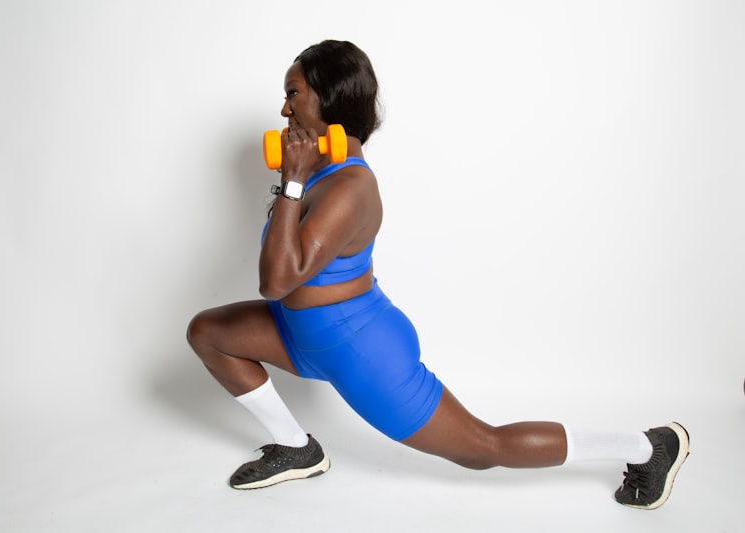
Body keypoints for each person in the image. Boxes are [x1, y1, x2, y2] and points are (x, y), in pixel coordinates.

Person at [186, 39, 689, 509]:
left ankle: (650, 447)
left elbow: (277, 280)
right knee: (210, 332)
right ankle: (297, 449)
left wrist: (290, 183)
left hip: (357, 346)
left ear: (329, 98)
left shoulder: (349, 188)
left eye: (293, 93)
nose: (284, 108)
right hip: (300, 335)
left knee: (481, 446)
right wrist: (295, 179)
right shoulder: (313, 171)